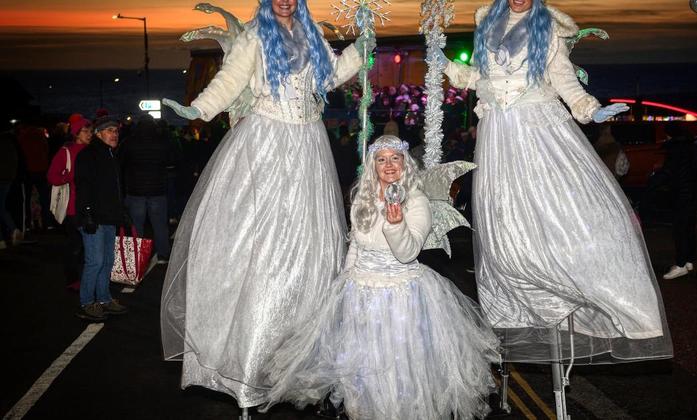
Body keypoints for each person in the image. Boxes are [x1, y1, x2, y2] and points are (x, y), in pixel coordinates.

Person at [159, 0, 374, 409]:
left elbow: (330, 78)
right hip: (266, 142)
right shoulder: (256, 38)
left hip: (308, 145)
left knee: (307, 246)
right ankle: (247, 356)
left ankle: (297, 355)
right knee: (259, 243)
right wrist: (199, 109)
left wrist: (361, 47)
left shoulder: (312, 36)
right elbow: (230, 81)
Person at [441, 0, 672, 362]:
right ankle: (522, 302)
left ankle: (594, 290)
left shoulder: (548, 29)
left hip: (537, 128)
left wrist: (590, 109)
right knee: (504, 221)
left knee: (558, 208)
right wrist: (447, 67)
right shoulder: (486, 24)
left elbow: (563, 77)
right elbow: (480, 78)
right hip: (497, 135)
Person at [261, 135, 500, 419]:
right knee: (360, 373)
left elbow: (408, 252)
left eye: (395, 158)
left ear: (405, 163)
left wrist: (396, 223)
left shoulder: (416, 200)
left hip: (401, 297)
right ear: (373, 165)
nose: (388, 165)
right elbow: (356, 247)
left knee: (398, 372)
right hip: (360, 295)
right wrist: (344, 287)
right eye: (381, 159)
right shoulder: (362, 199)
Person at [74, 116, 128, 322]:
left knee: (107, 260)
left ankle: (104, 299)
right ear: (98, 133)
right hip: (93, 217)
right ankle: (87, 302)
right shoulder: (88, 155)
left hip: (108, 216)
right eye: (109, 130)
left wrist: (121, 210)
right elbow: (84, 185)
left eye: (116, 131)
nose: (114, 134)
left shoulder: (110, 154)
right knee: (95, 261)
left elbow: (113, 188)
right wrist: (87, 213)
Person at [117, 115, 175, 263]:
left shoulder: (129, 142)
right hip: (157, 190)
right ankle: (163, 254)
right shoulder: (162, 141)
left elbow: (119, 163)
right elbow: (172, 160)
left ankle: (137, 258)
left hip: (135, 190)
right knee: (160, 225)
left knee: (137, 226)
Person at [47, 116, 92, 290]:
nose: (90, 134)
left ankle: (87, 278)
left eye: (91, 131)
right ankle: (73, 279)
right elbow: (52, 176)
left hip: (90, 206)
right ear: (76, 133)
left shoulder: (92, 150)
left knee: (87, 246)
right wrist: (70, 176)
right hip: (73, 206)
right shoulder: (66, 151)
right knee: (75, 245)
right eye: (86, 131)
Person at [656, 122, 697, 280]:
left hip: (680, 195)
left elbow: (668, 172)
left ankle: (681, 264)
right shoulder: (693, 148)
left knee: (680, 230)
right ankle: (689, 260)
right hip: (692, 194)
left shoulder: (675, 150)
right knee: (689, 227)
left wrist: (653, 183)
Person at [0, 120, 22, 249]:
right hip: (8, 178)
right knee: (2, 206)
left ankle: (3, 239)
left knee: (1, 207)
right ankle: (12, 229)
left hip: (2, 178)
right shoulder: (12, 142)